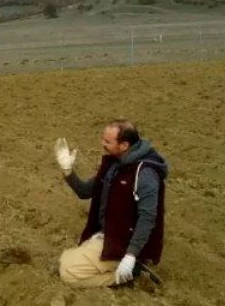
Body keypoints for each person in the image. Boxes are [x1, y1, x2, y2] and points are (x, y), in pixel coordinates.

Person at [52, 120, 167, 288]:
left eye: (107, 141)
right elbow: (85, 192)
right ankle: (116, 265)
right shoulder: (114, 164)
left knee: (68, 274)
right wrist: (67, 170)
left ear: (124, 145)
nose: (102, 144)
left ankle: (130, 274)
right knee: (63, 261)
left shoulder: (145, 175)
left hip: (123, 244)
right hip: (109, 235)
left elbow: (147, 219)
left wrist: (131, 255)